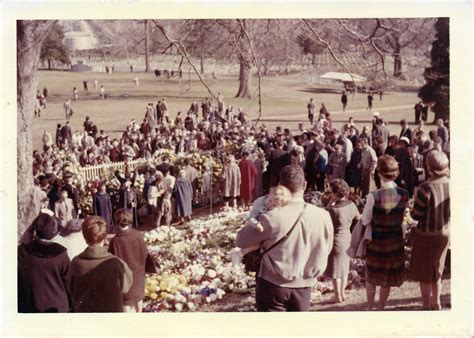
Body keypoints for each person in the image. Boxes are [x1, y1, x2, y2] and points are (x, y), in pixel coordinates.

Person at [236, 165, 334, 312]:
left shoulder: (272, 216)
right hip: (304, 286)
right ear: (305, 185)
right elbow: (327, 248)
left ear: (280, 187)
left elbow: (241, 240)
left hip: (273, 284)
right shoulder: (323, 216)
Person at [360, 155, 409, 311]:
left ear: (379, 173)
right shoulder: (404, 193)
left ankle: (370, 307)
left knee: (372, 276)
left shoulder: (373, 196)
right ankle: (380, 307)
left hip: (377, 241)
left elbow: (365, 220)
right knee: (386, 277)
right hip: (394, 241)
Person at [407, 150, 450, 310]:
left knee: (424, 273)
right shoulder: (452, 184)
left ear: (429, 167)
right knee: (437, 270)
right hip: (445, 232)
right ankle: (436, 301)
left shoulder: (426, 187)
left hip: (426, 234)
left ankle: (426, 305)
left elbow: (416, 215)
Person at [69, 216, 133, 312]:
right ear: (105, 237)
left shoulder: (76, 263)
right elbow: (125, 288)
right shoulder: (117, 263)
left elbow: (71, 289)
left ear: (85, 238)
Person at [18, 213, 71, 313]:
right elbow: (69, 283)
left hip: (30, 305)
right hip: (58, 306)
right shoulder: (61, 254)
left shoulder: (22, 251)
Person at [230, 185, 292, 264]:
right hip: (252, 223)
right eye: (270, 201)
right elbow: (251, 218)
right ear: (269, 195)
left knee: (263, 243)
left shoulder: (276, 206)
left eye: (274, 206)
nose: (270, 205)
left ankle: (240, 253)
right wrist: (256, 224)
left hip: (263, 226)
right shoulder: (259, 202)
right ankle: (239, 253)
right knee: (258, 244)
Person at [324, 179, 361, 303]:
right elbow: (358, 220)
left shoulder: (332, 210)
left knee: (335, 271)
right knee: (344, 269)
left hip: (335, 241)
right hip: (347, 239)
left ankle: (337, 296)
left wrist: (330, 203)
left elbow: (324, 219)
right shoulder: (351, 205)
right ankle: (343, 294)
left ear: (334, 193)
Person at [109, 209, 149, 312]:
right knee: (139, 298)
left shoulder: (115, 241)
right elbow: (145, 253)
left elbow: (112, 260)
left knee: (126, 301)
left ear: (117, 222)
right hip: (139, 272)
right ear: (130, 220)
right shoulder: (138, 235)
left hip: (125, 275)